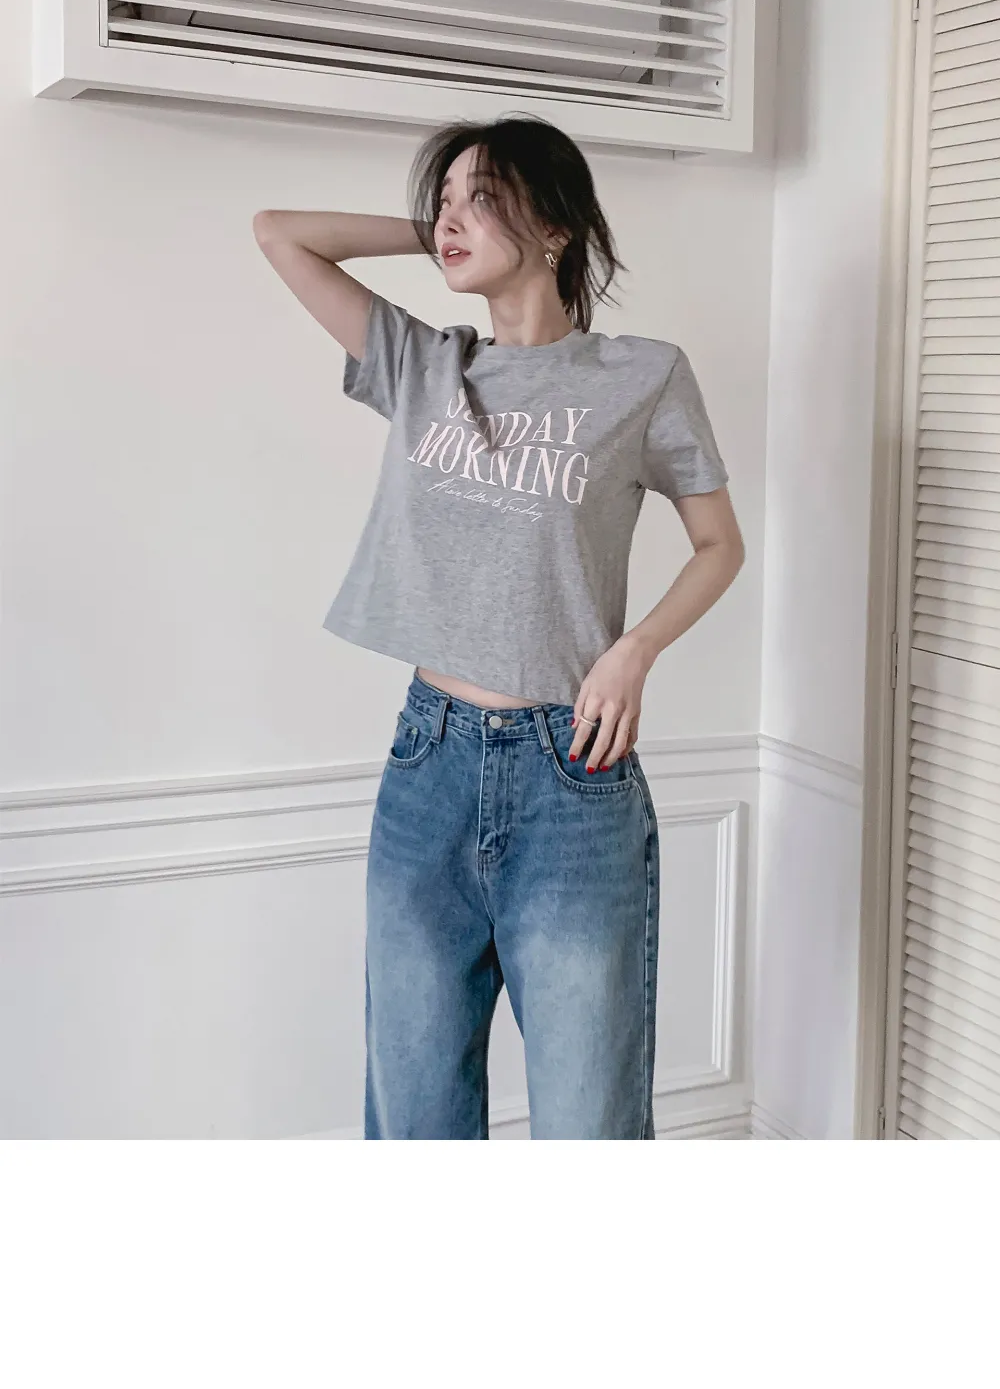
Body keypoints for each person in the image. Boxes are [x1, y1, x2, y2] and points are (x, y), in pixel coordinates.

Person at [253, 114, 744, 1139]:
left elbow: (718, 545)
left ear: (557, 225)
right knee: (417, 1117)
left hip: (572, 775)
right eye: (444, 198)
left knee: (588, 1122)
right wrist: (440, 230)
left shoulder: (641, 376)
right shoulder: (424, 364)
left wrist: (635, 649)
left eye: (482, 196)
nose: (450, 216)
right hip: (427, 764)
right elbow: (279, 233)